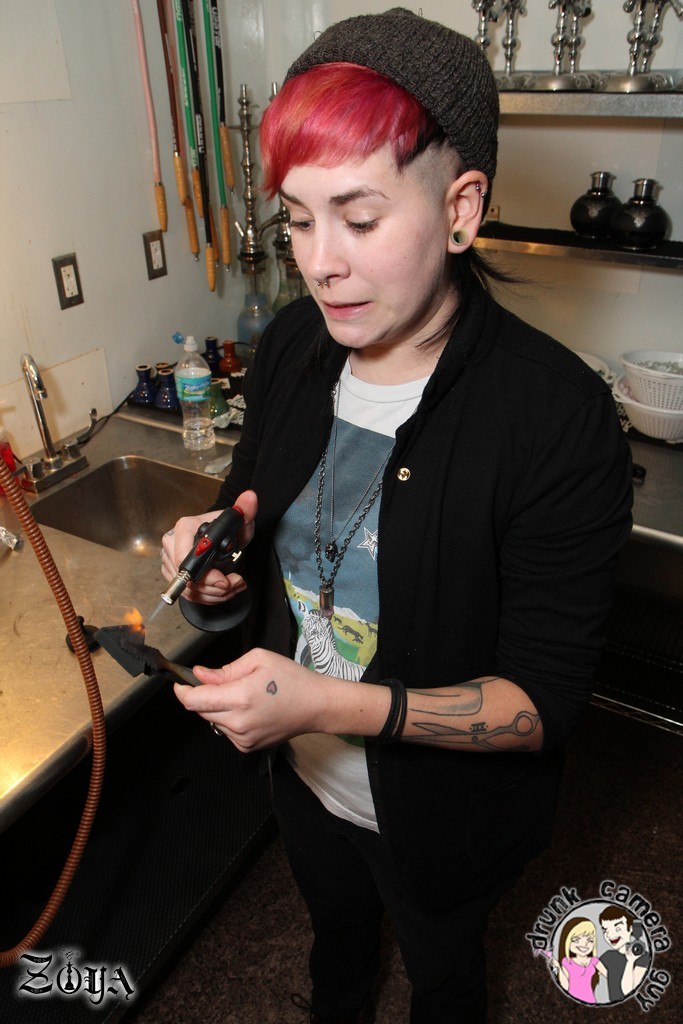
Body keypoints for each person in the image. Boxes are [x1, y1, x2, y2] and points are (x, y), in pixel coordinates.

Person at [160, 9, 633, 1022]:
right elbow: (249, 510)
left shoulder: (554, 417)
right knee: (335, 940)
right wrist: (216, 565)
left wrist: (323, 705)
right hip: (302, 780)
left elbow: (538, 704)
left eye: (359, 218)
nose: (318, 262)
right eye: (297, 219)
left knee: (442, 972)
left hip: (443, 819)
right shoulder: (292, 347)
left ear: (461, 208)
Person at [599, 906, 651, 1002]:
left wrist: (630, 961)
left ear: (630, 929)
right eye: (605, 930)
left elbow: (628, 992)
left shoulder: (643, 957)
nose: (610, 935)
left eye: (618, 929)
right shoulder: (608, 956)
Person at [551, 917, 607, 1004]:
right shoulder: (567, 962)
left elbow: (610, 976)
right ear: (567, 941)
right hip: (571, 1001)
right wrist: (558, 967)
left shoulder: (594, 961)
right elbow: (565, 986)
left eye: (590, 940)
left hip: (591, 1001)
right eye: (576, 940)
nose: (584, 944)